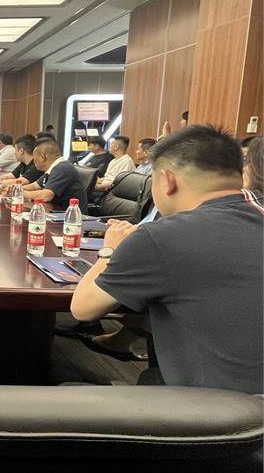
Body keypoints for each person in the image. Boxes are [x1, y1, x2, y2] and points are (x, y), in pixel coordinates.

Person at [71, 125, 263, 394]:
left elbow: (82, 308)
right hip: (247, 398)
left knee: (67, 388)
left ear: (167, 180)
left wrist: (110, 249)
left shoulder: (161, 236)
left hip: (218, 410)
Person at [23, 140, 88, 213]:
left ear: (42, 157)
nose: (34, 162)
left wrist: (21, 193)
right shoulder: (53, 168)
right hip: (57, 212)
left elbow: (46, 196)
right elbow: (35, 186)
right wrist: (17, 188)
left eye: (34, 159)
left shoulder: (62, 169)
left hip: (71, 216)